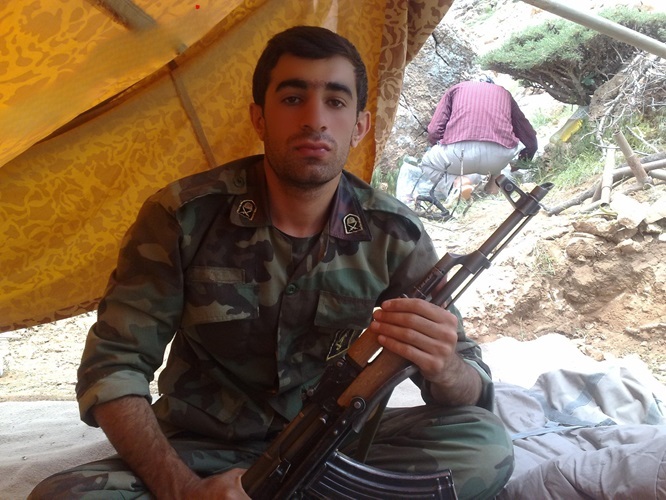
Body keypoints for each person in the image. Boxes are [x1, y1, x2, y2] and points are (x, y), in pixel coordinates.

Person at [30, 26, 513, 499]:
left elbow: (471, 386)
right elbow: (113, 366)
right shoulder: (182, 216)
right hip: (202, 449)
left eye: (336, 101)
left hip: (334, 445)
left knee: (483, 444)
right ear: (259, 118)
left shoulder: (394, 232)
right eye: (293, 98)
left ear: (360, 126)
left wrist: (445, 365)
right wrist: (182, 489)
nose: (315, 120)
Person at [420, 76, 538, 194]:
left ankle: (455, 183)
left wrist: (441, 145)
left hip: (458, 155)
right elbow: (528, 135)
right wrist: (520, 164)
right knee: (498, 155)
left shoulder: (455, 89)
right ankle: (493, 188)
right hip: (498, 159)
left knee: (426, 163)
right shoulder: (504, 93)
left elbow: (434, 130)